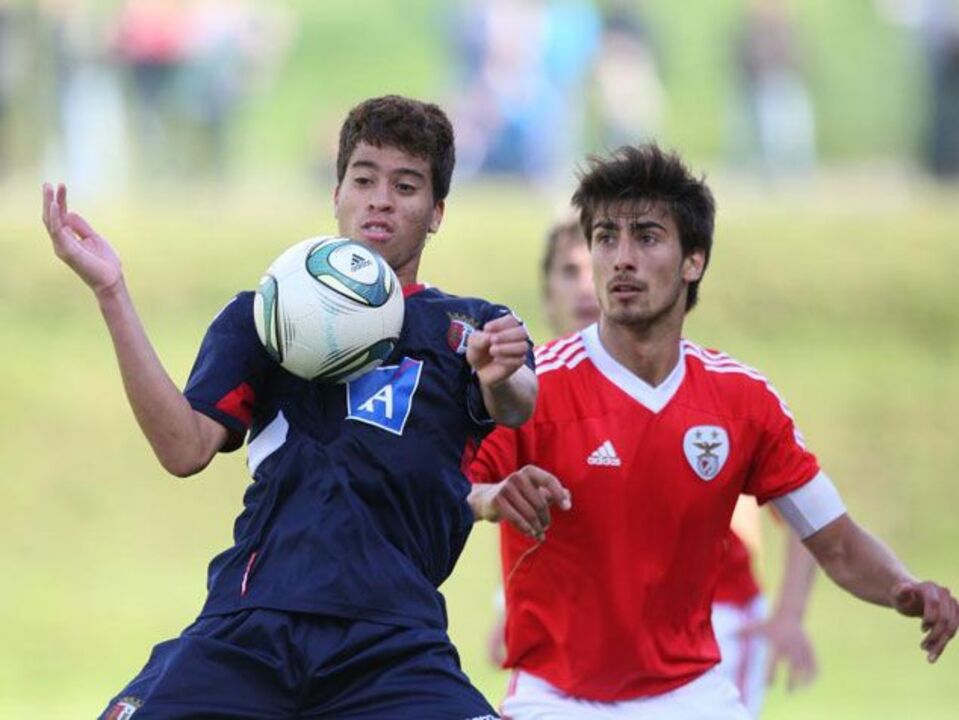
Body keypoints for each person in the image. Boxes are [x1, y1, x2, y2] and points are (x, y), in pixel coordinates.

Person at [42, 95, 536, 719]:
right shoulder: (268, 314)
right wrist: (111, 291)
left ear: (436, 213)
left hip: (393, 641)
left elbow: (516, 406)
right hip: (253, 623)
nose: (380, 199)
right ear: (336, 194)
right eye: (363, 179)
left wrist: (503, 373)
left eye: (406, 186)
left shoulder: (472, 328)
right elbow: (184, 448)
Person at [467, 144, 958, 719]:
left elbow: (838, 542)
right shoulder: (532, 387)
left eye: (646, 237)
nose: (621, 259)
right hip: (555, 699)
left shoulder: (741, 400)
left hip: (692, 696)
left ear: (693, 260)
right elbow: (443, 493)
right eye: (605, 237)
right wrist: (488, 498)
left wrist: (905, 585)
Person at [483, 215, 817, 716]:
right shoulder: (528, 394)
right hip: (581, 667)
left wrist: (788, 613)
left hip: (711, 634)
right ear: (545, 293)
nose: (582, 287)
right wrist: (510, 610)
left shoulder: (701, 395)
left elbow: (808, 511)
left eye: (587, 269)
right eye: (567, 271)